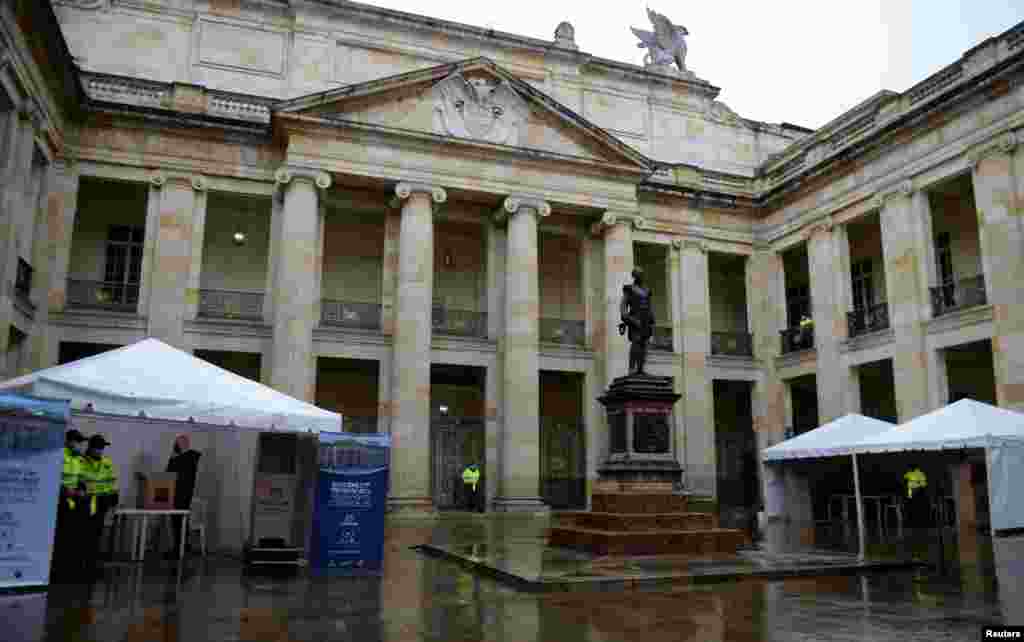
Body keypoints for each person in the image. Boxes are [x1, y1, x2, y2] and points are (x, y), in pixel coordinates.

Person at [51, 430, 87, 581]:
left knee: (68, 536)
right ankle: (54, 570)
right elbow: (51, 475)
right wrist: (65, 490)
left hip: (73, 501)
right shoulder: (59, 454)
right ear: (68, 441)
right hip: (57, 500)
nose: (79, 445)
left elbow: (80, 478)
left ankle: (64, 569)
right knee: (57, 536)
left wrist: (81, 489)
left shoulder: (78, 459)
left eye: (80, 442)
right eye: (77, 441)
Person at [80, 435, 118, 577]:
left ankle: (92, 566)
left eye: (102, 448)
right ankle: (81, 567)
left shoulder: (106, 462)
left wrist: (114, 494)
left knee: (96, 535)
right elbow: (79, 479)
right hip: (86, 502)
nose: (101, 451)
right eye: (98, 448)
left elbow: (110, 481)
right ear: (91, 447)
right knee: (84, 535)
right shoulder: (82, 461)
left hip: (102, 502)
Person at [166, 434, 201, 557]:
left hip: (183, 493)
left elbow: (179, 470)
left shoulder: (191, 456)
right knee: (176, 521)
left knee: (180, 521)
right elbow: (168, 473)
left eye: (177, 443)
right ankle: (180, 546)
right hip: (174, 494)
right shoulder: (179, 458)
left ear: (183, 444)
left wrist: (174, 458)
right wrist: (173, 457)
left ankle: (181, 548)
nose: (176, 446)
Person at [904, 464, 929, 528]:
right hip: (912, 497)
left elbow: (923, 485)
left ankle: (919, 523)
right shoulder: (908, 476)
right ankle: (913, 523)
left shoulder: (920, 475)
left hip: (919, 496)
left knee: (918, 507)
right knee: (911, 507)